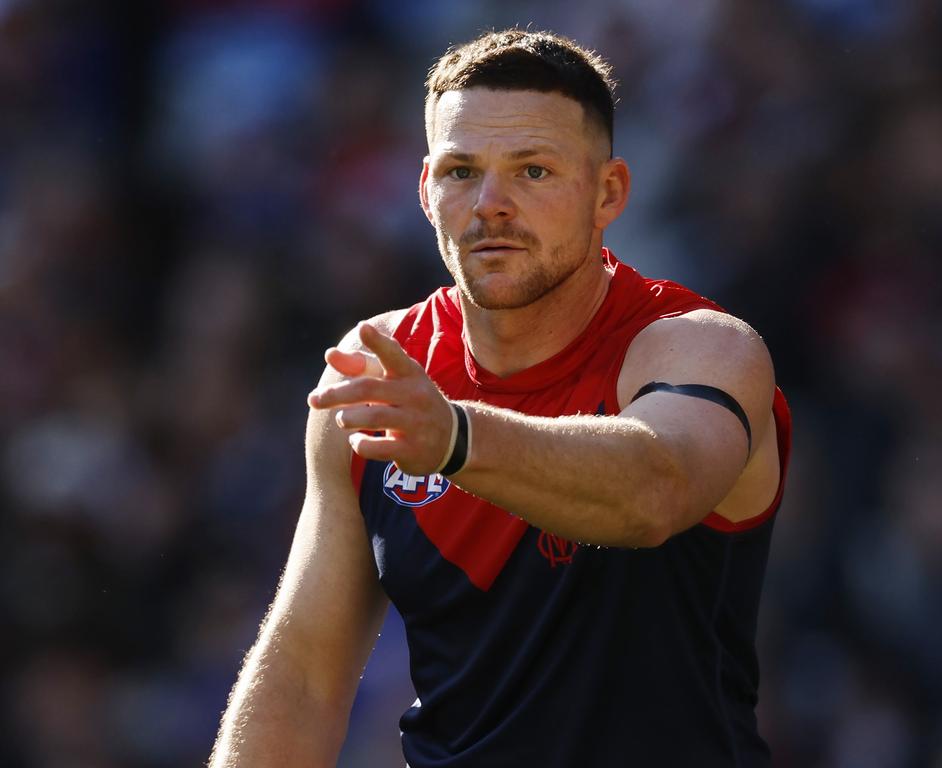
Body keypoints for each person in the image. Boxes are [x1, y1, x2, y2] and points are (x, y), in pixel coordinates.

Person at [210, 28, 791, 767]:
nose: (491, 204)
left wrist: (454, 438)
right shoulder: (377, 374)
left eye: (534, 172)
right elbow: (303, 676)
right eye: (461, 171)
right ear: (425, 191)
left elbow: (654, 490)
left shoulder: (702, 347)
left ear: (608, 192)